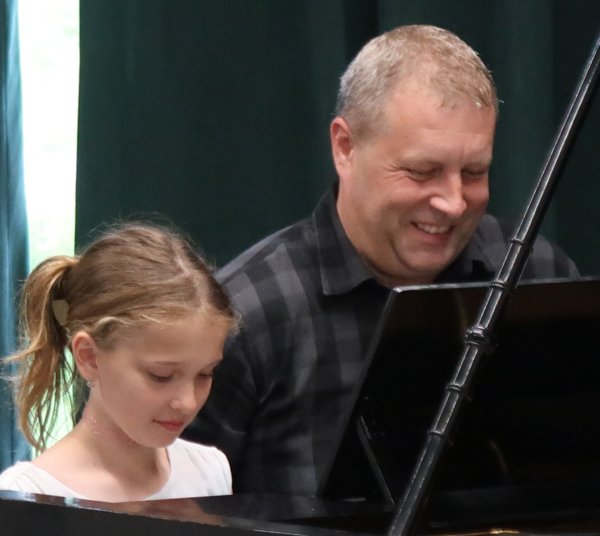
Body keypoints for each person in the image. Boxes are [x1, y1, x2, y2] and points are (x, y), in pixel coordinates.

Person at [183, 25, 578, 496]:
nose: (453, 203)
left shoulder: (537, 275)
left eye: (474, 172)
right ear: (345, 147)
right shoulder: (246, 315)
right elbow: (179, 521)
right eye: (421, 171)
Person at [0, 223, 238, 502]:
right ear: (89, 357)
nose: (187, 402)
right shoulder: (27, 494)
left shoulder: (210, 472)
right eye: (160, 375)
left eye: (205, 374)